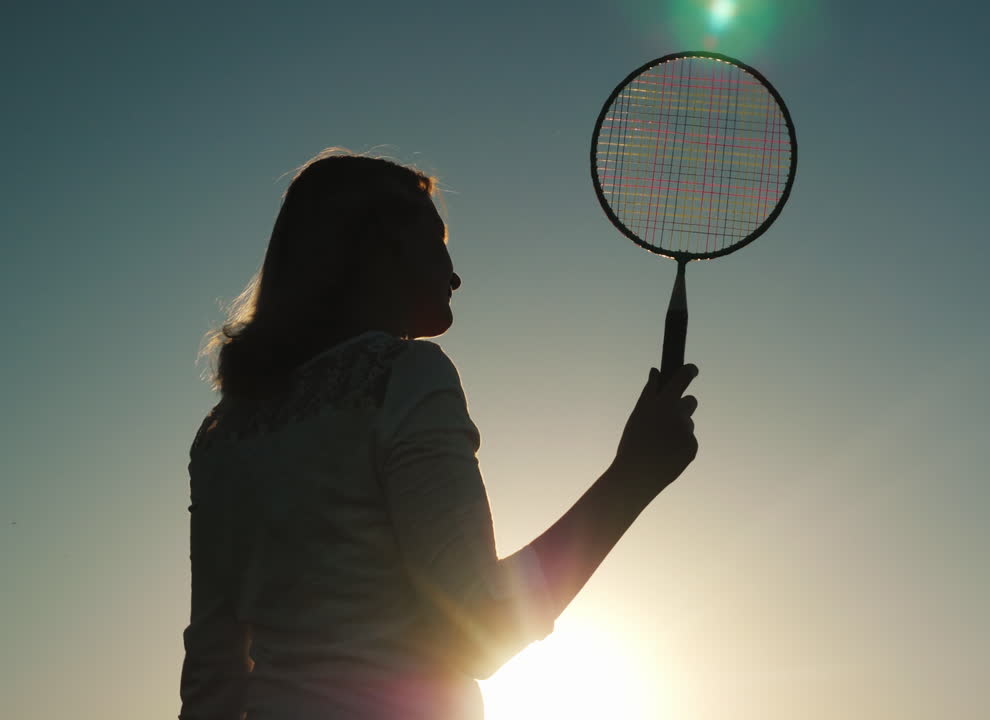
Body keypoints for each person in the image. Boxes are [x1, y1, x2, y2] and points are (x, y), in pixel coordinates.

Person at [180, 150, 700, 720]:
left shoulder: (222, 433)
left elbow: (212, 677)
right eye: (435, 239)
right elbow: (481, 627)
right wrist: (633, 476)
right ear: (379, 249)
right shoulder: (403, 376)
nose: (453, 272)